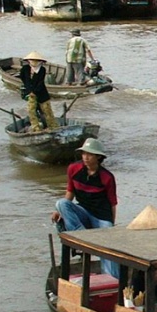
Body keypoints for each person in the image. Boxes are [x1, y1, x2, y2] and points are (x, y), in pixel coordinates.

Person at [51, 138, 119, 278]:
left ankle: (111, 279)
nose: (85, 157)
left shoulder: (107, 177)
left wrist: (111, 225)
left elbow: (113, 203)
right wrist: (59, 212)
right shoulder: (73, 169)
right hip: (83, 211)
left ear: (98, 157)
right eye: (84, 154)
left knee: (107, 247)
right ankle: (81, 237)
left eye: (90, 154)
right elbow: (70, 192)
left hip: (101, 217)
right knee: (61, 203)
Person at [19, 51, 59, 131]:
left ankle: (53, 127)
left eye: (36, 60)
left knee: (47, 111)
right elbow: (24, 79)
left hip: (41, 93)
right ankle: (36, 127)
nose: (34, 62)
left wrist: (34, 92)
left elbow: (40, 83)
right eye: (32, 60)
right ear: (29, 61)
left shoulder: (42, 70)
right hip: (30, 94)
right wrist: (29, 91)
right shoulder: (25, 69)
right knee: (31, 111)